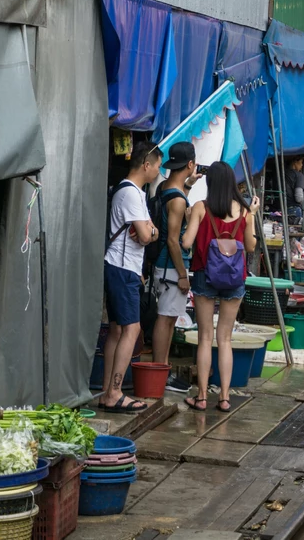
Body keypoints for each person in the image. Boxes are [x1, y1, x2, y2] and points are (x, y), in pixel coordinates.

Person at [181, 162, 259, 413]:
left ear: (210, 183)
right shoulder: (245, 211)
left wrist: (188, 218)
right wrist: (253, 218)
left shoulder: (201, 208)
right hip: (235, 279)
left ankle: (202, 397)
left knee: (205, 337)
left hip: (205, 276)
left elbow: (186, 242)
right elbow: (250, 247)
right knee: (225, 338)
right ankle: (224, 398)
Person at [101, 142, 160, 413]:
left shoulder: (131, 192)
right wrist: (147, 231)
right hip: (124, 267)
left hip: (117, 265)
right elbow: (148, 235)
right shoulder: (131, 194)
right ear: (146, 165)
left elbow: (150, 231)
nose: (159, 170)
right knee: (132, 330)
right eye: (158, 165)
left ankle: (106, 391)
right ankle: (114, 392)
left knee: (116, 329)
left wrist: (148, 231)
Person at [151, 142, 199, 394]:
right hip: (170, 267)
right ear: (190, 164)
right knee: (166, 318)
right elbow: (172, 239)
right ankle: (159, 371)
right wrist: (182, 274)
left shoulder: (164, 187)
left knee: (169, 319)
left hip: (164, 264)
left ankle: (163, 370)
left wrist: (189, 185)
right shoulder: (178, 200)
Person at [285, 157, 304, 223]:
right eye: (301, 162)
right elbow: (299, 198)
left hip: (279, 210)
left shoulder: (282, 173)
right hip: (293, 211)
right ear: (295, 162)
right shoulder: (299, 175)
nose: (302, 165)